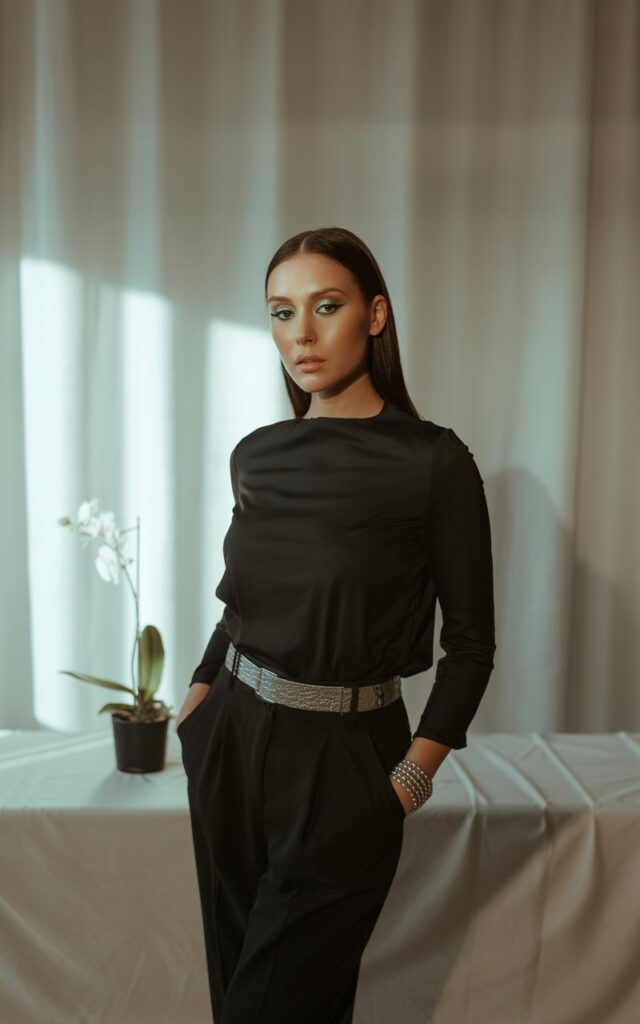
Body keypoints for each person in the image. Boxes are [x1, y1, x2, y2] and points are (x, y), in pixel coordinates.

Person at [176, 225, 496, 1024]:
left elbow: (471, 645)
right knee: (244, 999)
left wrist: (407, 780)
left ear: (376, 315)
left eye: (326, 306)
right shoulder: (257, 455)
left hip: (348, 759)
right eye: (281, 313)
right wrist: (198, 703)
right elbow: (241, 603)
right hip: (232, 740)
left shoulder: (432, 463)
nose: (302, 334)